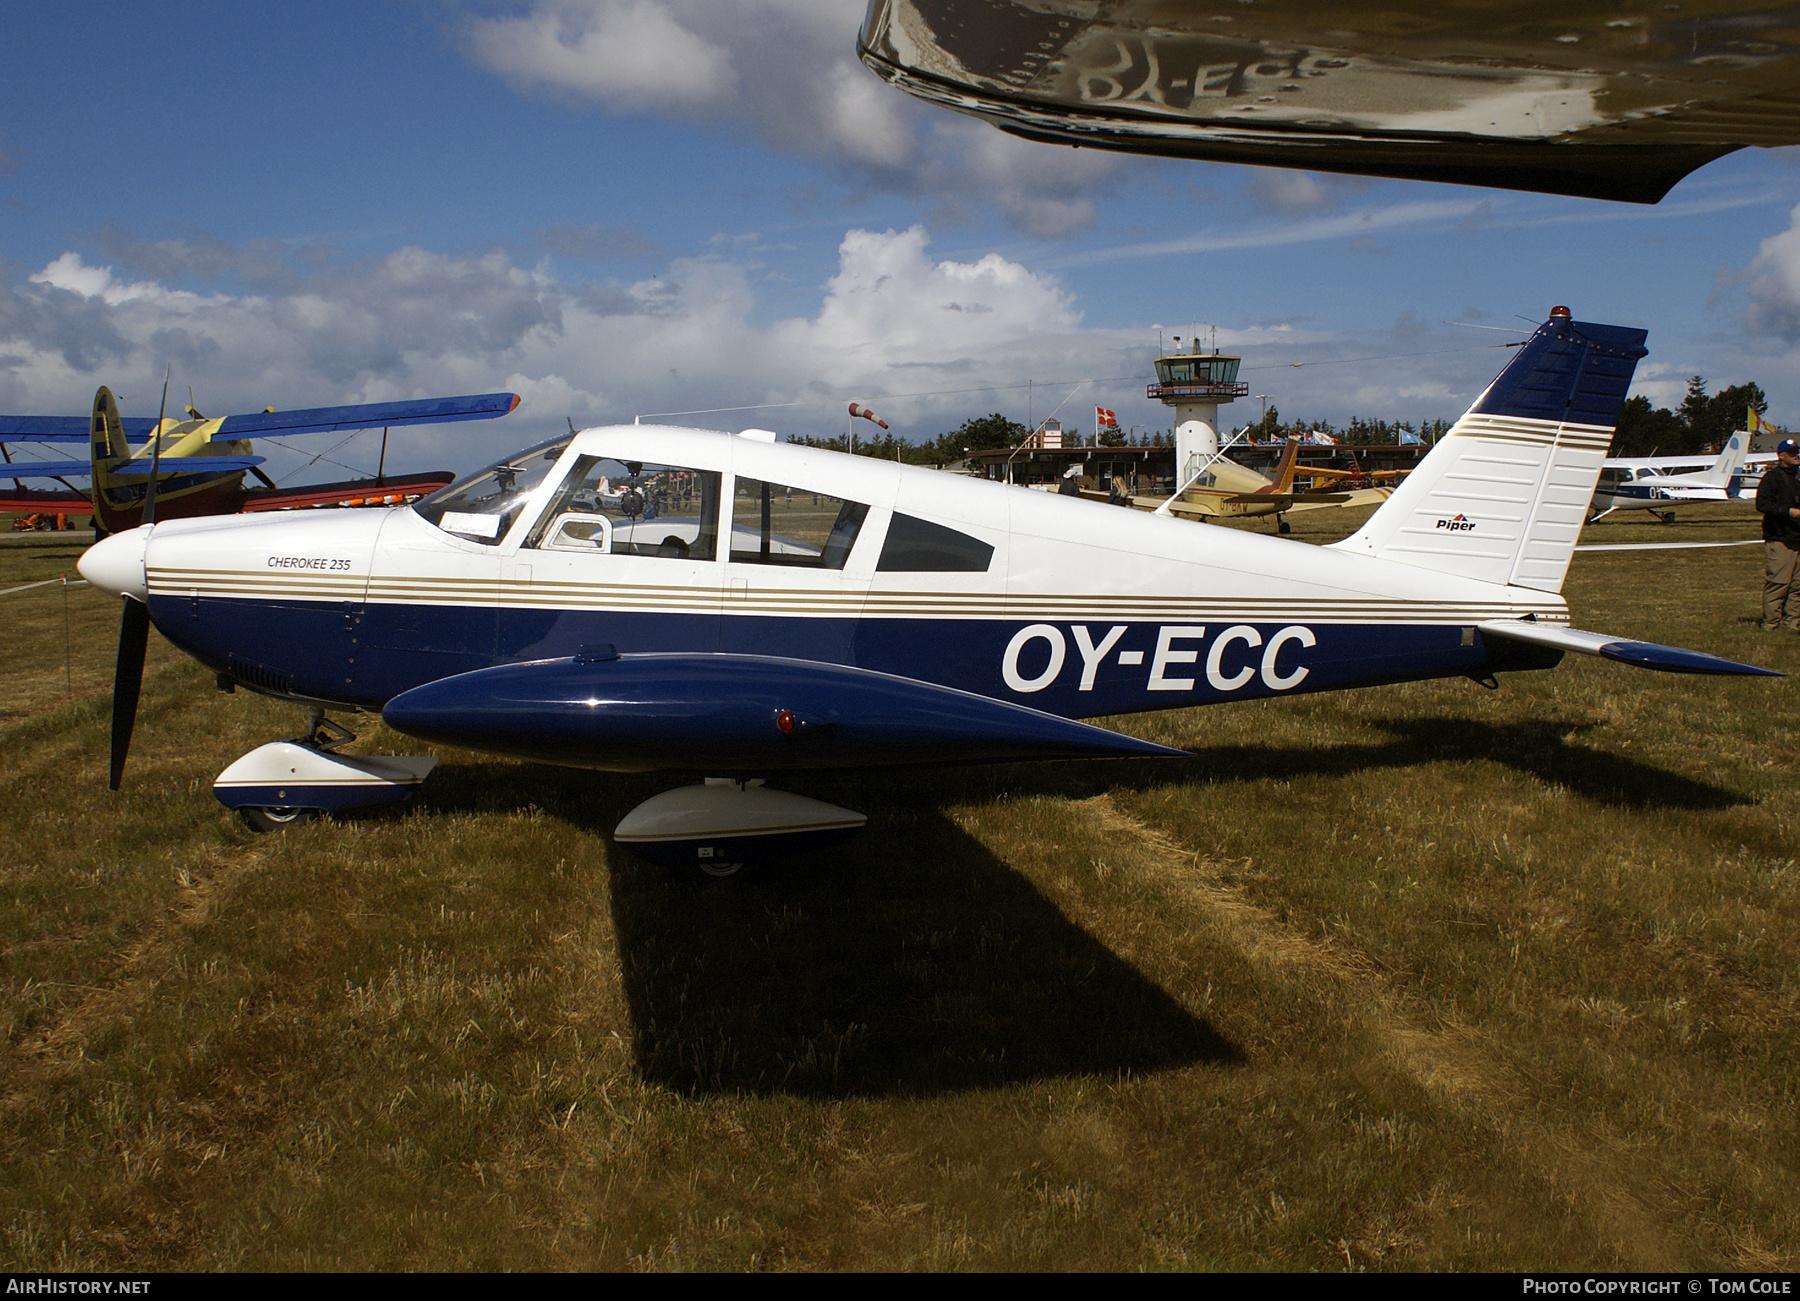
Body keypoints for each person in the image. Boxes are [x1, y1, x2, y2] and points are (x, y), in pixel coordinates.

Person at [1756, 437, 1800, 630]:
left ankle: (1792, 623)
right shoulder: (1772, 478)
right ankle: (1771, 624)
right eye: (1791, 453)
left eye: (1797, 452)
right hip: (1780, 538)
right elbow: (1762, 504)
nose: (1796, 456)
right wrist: (1788, 511)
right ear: (1781, 456)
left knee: (1798, 586)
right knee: (1779, 583)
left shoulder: (1798, 477)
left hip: (1798, 538)